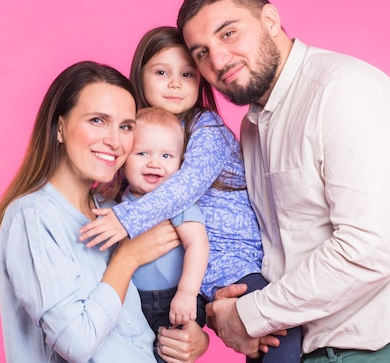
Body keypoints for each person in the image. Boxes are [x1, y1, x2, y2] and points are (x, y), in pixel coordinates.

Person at [176, 0, 390, 363]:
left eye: (229, 33)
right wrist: (223, 306)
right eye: (201, 53)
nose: (218, 60)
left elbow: (368, 250)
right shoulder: (252, 127)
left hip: (372, 354)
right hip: (290, 350)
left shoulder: (341, 90)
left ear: (269, 20)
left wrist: (250, 315)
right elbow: (268, 247)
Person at [80, 27, 296, 361]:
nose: (175, 83)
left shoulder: (205, 127)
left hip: (229, 261)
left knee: (277, 338)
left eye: (187, 74)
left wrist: (126, 218)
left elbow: (188, 184)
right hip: (175, 276)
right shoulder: (133, 129)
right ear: (140, 76)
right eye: (162, 72)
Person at [0, 61, 208, 363]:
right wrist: (127, 258)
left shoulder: (115, 212)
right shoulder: (33, 217)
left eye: (125, 126)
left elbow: (142, 322)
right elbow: (77, 344)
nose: (114, 141)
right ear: (59, 128)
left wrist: (193, 336)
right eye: (97, 120)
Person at [121, 106, 209, 362]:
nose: (154, 163)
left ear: (181, 163)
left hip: (173, 299)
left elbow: (198, 244)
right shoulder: (119, 205)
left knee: (170, 354)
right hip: (132, 302)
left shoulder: (177, 204)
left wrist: (187, 293)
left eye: (167, 156)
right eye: (142, 153)